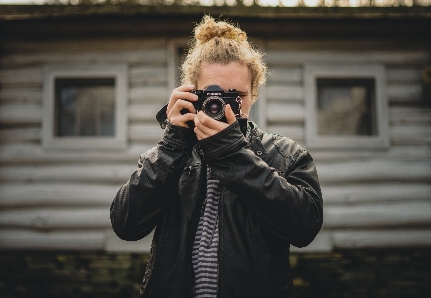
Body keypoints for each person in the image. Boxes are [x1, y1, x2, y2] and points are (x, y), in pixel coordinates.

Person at [110, 15, 323, 298]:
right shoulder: (169, 153)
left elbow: (304, 228)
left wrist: (234, 154)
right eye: (213, 95)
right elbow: (126, 224)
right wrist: (173, 145)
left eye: (236, 96)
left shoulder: (285, 156)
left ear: (254, 94)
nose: (221, 106)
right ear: (192, 91)